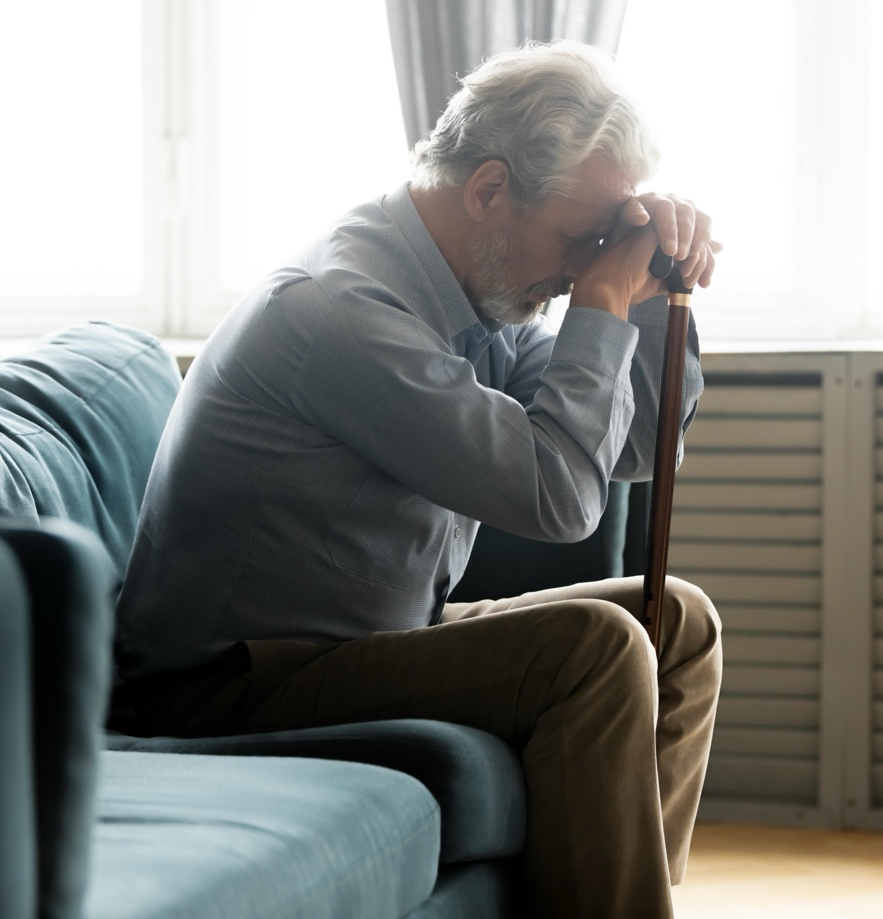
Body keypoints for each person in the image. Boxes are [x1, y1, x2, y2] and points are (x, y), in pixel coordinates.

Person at [112, 40, 723, 919]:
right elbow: (558, 500)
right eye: (579, 238)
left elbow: (622, 451)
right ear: (489, 190)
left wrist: (660, 296)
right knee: (593, 650)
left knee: (676, 624)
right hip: (224, 685)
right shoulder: (341, 310)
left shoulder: (481, 292)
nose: (580, 267)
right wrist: (599, 302)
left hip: (366, 637)